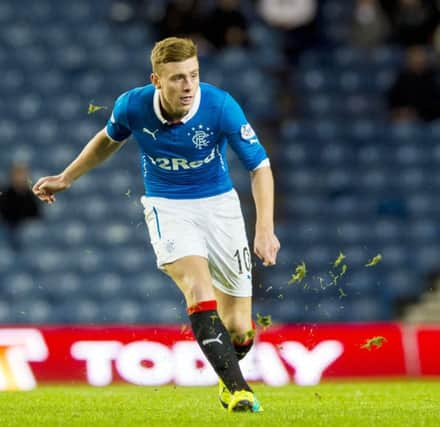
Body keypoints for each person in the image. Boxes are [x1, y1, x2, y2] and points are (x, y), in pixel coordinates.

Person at [32, 37, 280, 413]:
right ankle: (239, 391)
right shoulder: (132, 106)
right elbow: (107, 140)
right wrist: (66, 177)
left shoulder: (220, 106)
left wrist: (264, 227)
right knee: (199, 292)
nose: (188, 86)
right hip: (169, 207)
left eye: (194, 75)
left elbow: (259, 167)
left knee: (241, 332)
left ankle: (226, 373)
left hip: (220, 208)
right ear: (156, 81)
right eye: (178, 78)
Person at [0, 163, 41, 251]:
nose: (19, 178)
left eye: (22, 175)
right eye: (17, 175)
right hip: (9, 228)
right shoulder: (4, 194)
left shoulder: (32, 195)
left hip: (27, 230)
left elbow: (37, 215)